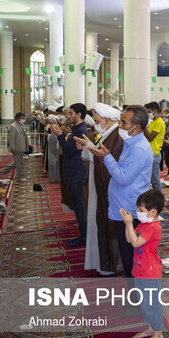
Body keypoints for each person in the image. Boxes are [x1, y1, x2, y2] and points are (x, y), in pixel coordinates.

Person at [88, 105, 154, 284]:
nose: (119, 125)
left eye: (123, 122)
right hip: (123, 207)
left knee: (131, 258)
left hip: (130, 210)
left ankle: (136, 300)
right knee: (128, 258)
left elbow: (123, 177)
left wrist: (106, 157)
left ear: (136, 127)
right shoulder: (130, 143)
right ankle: (134, 296)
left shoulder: (139, 148)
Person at [76, 103, 124, 276]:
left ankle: (111, 264)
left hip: (108, 189)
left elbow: (109, 161)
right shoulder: (107, 135)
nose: (95, 123)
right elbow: (100, 155)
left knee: (108, 225)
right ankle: (104, 263)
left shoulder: (116, 136)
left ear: (106, 119)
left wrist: (90, 147)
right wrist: (89, 145)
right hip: (100, 185)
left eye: (97, 120)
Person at [120, 189, 165, 338]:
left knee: (152, 304)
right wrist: (128, 223)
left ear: (153, 212)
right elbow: (129, 238)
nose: (138, 212)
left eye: (141, 210)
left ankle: (158, 334)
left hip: (150, 273)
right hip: (140, 270)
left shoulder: (154, 227)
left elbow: (136, 243)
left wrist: (129, 223)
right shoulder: (145, 224)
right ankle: (151, 328)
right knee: (144, 303)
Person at [51, 104, 90, 247]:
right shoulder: (76, 129)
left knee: (79, 206)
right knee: (77, 205)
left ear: (79, 115)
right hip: (74, 171)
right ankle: (83, 235)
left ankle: (84, 237)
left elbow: (69, 151)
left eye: (71, 113)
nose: (69, 116)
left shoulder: (81, 130)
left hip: (77, 172)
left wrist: (59, 135)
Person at [143, 101, 165, 192]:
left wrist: (143, 127)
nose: (148, 114)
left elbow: (151, 137)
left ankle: (159, 198)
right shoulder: (153, 122)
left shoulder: (159, 122)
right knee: (150, 179)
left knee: (155, 179)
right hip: (150, 152)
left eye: (148, 111)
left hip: (155, 153)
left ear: (155, 111)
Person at [1, 112, 29, 181]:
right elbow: (11, 138)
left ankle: (4, 171)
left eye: (24, 118)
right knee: (19, 163)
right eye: (22, 118)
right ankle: (20, 176)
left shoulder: (19, 126)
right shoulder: (13, 126)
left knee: (17, 162)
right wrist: (12, 148)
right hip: (16, 148)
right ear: (17, 119)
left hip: (21, 147)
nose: (24, 120)